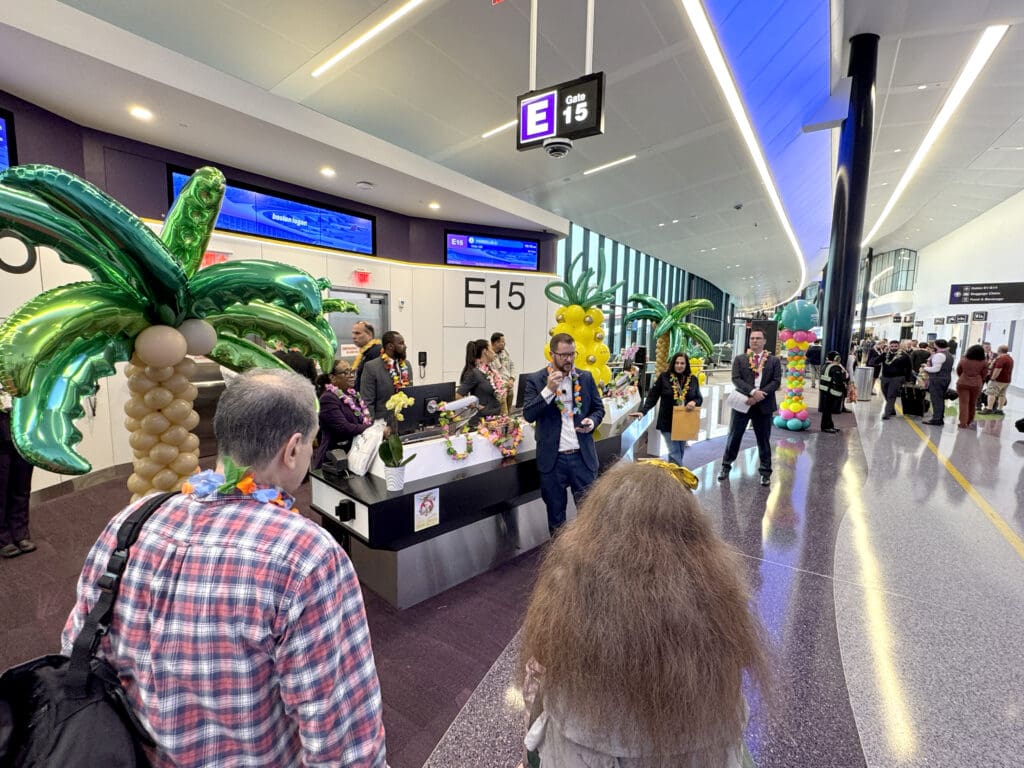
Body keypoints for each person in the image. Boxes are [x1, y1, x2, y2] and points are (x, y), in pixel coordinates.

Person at [61, 369, 386, 767]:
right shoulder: (306, 556)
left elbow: (76, 648)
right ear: (293, 448)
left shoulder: (133, 520)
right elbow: (342, 738)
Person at [518, 460, 767, 767]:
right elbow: (738, 662)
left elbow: (538, 670)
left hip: (587, 748)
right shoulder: (717, 583)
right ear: (691, 524)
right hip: (698, 749)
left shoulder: (567, 578)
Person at [523, 333, 605, 535]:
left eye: (572, 354)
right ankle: (561, 564)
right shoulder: (536, 380)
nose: (569, 359)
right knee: (556, 517)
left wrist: (592, 421)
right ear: (552, 354)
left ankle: (588, 560)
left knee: (589, 516)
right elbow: (529, 414)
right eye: (564, 355)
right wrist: (548, 390)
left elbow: (598, 408)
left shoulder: (585, 378)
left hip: (582, 458)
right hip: (553, 461)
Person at [718, 329, 782, 487]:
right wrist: (752, 392)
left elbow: (776, 381)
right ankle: (726, 467)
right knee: (734, 436)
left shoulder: (773, 361)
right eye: (752, 338)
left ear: (764, 341)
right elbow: (736, 379)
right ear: (749, 341)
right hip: (744, 402)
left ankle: (765, 472)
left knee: (763, 439)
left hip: (764, 404)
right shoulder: (740, 359)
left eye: (758, 338)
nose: (755, 341)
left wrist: (761, 394)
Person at [631, 352, 702, 466]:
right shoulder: (664, 377)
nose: (679, 365)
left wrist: (694, 402)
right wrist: (642, 411)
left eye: (682, 363)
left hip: (685, 421)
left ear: (686, 365)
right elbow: (653, 396)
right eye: (677, 363)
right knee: (674, 452)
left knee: (680, 451)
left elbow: (699, 398)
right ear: (673, 364)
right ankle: (677, 478)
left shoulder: (693, 379)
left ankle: (673, 475)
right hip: (667, 421)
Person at [314, 361, 379, 467]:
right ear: (332, 378)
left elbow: (363, 420)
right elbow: (344, 428)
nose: (352, 375)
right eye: (346, 372)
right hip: (333, 460)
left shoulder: (352, 394)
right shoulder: (327, 399)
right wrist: (373, 428)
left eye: (352, 371)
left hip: (354, 454)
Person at [0, 383, 36, 559]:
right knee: (1, 487)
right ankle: (3, 538)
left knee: (22, 483)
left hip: (21, 426)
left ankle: (21, 533)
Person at [360, 330, 412, 420]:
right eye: (401, 343)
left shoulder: (407, 365)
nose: (405, 347)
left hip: (406, 422)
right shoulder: (371, 367)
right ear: (390, 346)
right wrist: (374, 428)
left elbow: (411, 393)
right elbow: (367, 402)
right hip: (382, 424)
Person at [457, 339, 505, 427]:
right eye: (491, 349)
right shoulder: (474, 373)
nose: (494, 352)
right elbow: (458, 396)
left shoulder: (489, 371)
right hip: (480, 423)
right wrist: (476, 406)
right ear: (485, 351)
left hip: (493, 420)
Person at [921, 339, 953, 426]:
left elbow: (936, 369)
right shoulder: (949, 354)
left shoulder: (939, 355)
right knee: (940, 399)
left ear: (936, 345)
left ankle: (936, 419)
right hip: (945, 378)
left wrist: (925, 368)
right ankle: (939, 418)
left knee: (936, 400)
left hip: (937, 379)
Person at [955, 344, 988, 429]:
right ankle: (969, 421)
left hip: (963, 383)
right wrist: (980, 379)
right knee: (973, 403)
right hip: (976, 384)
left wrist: (962, 377)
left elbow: (958, 370)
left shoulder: (963, 360)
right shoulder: (984, 362)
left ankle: (962, 423)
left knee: (963, 403)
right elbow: (984, 375)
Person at [879, 339, 912, 420]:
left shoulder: (904, 356)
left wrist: (908, 380)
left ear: (899, 346)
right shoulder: (885, 354)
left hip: (897, 378)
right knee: (885, 393)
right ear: (889, 346)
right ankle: (892, 410)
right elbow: (875, 361)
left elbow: (909, 368)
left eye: (895, 346)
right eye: (892, 346)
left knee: (891, 395)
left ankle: (887, 413)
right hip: (885, 377)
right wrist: (883, 353)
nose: (894, 348)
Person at [818, 351, 849, 433]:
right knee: (828, 411)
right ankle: (826, 427)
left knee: (827, 410)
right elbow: (840, 380)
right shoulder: (835, 367)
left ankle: (829, 425)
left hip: (825, 391)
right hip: (831, 392)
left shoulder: (826, 365)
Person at [981, 344, 1013, 415]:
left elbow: (998, 369)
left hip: (998, 380)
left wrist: (992, 378)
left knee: (991, 393)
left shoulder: (1001, 359)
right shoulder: (1010, 358)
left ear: (999, 351)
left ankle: (989, 408)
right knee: (1002, 395)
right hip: (1006, 380)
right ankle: (999, 409)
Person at [490, 331, 516, 413]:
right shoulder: (489, 354)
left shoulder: (505, 352)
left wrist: (512, 379)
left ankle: (508, 422)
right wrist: (503, 384)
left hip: (509, 384)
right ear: (496, 343)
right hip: (499, 388)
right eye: (502, 341)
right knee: (503, 412)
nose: (504, 343)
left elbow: (512, 365)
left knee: (509, 411)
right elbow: (491, 373)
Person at [351, 321, 382, 391]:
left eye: (357, 333)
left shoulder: (376, 351)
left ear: (370, 335)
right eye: (353, 333)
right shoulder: (364, 352)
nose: (353, 337)